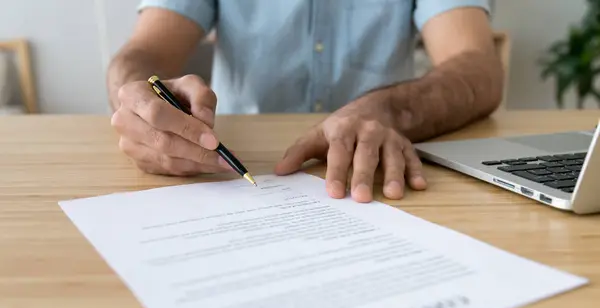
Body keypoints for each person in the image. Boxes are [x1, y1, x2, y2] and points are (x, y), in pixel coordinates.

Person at [107, 0, 503, 203]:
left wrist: (387, 109)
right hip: (236, 165)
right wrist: (139, 99)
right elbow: (141, 54)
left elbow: (479, 69)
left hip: (382, 162)